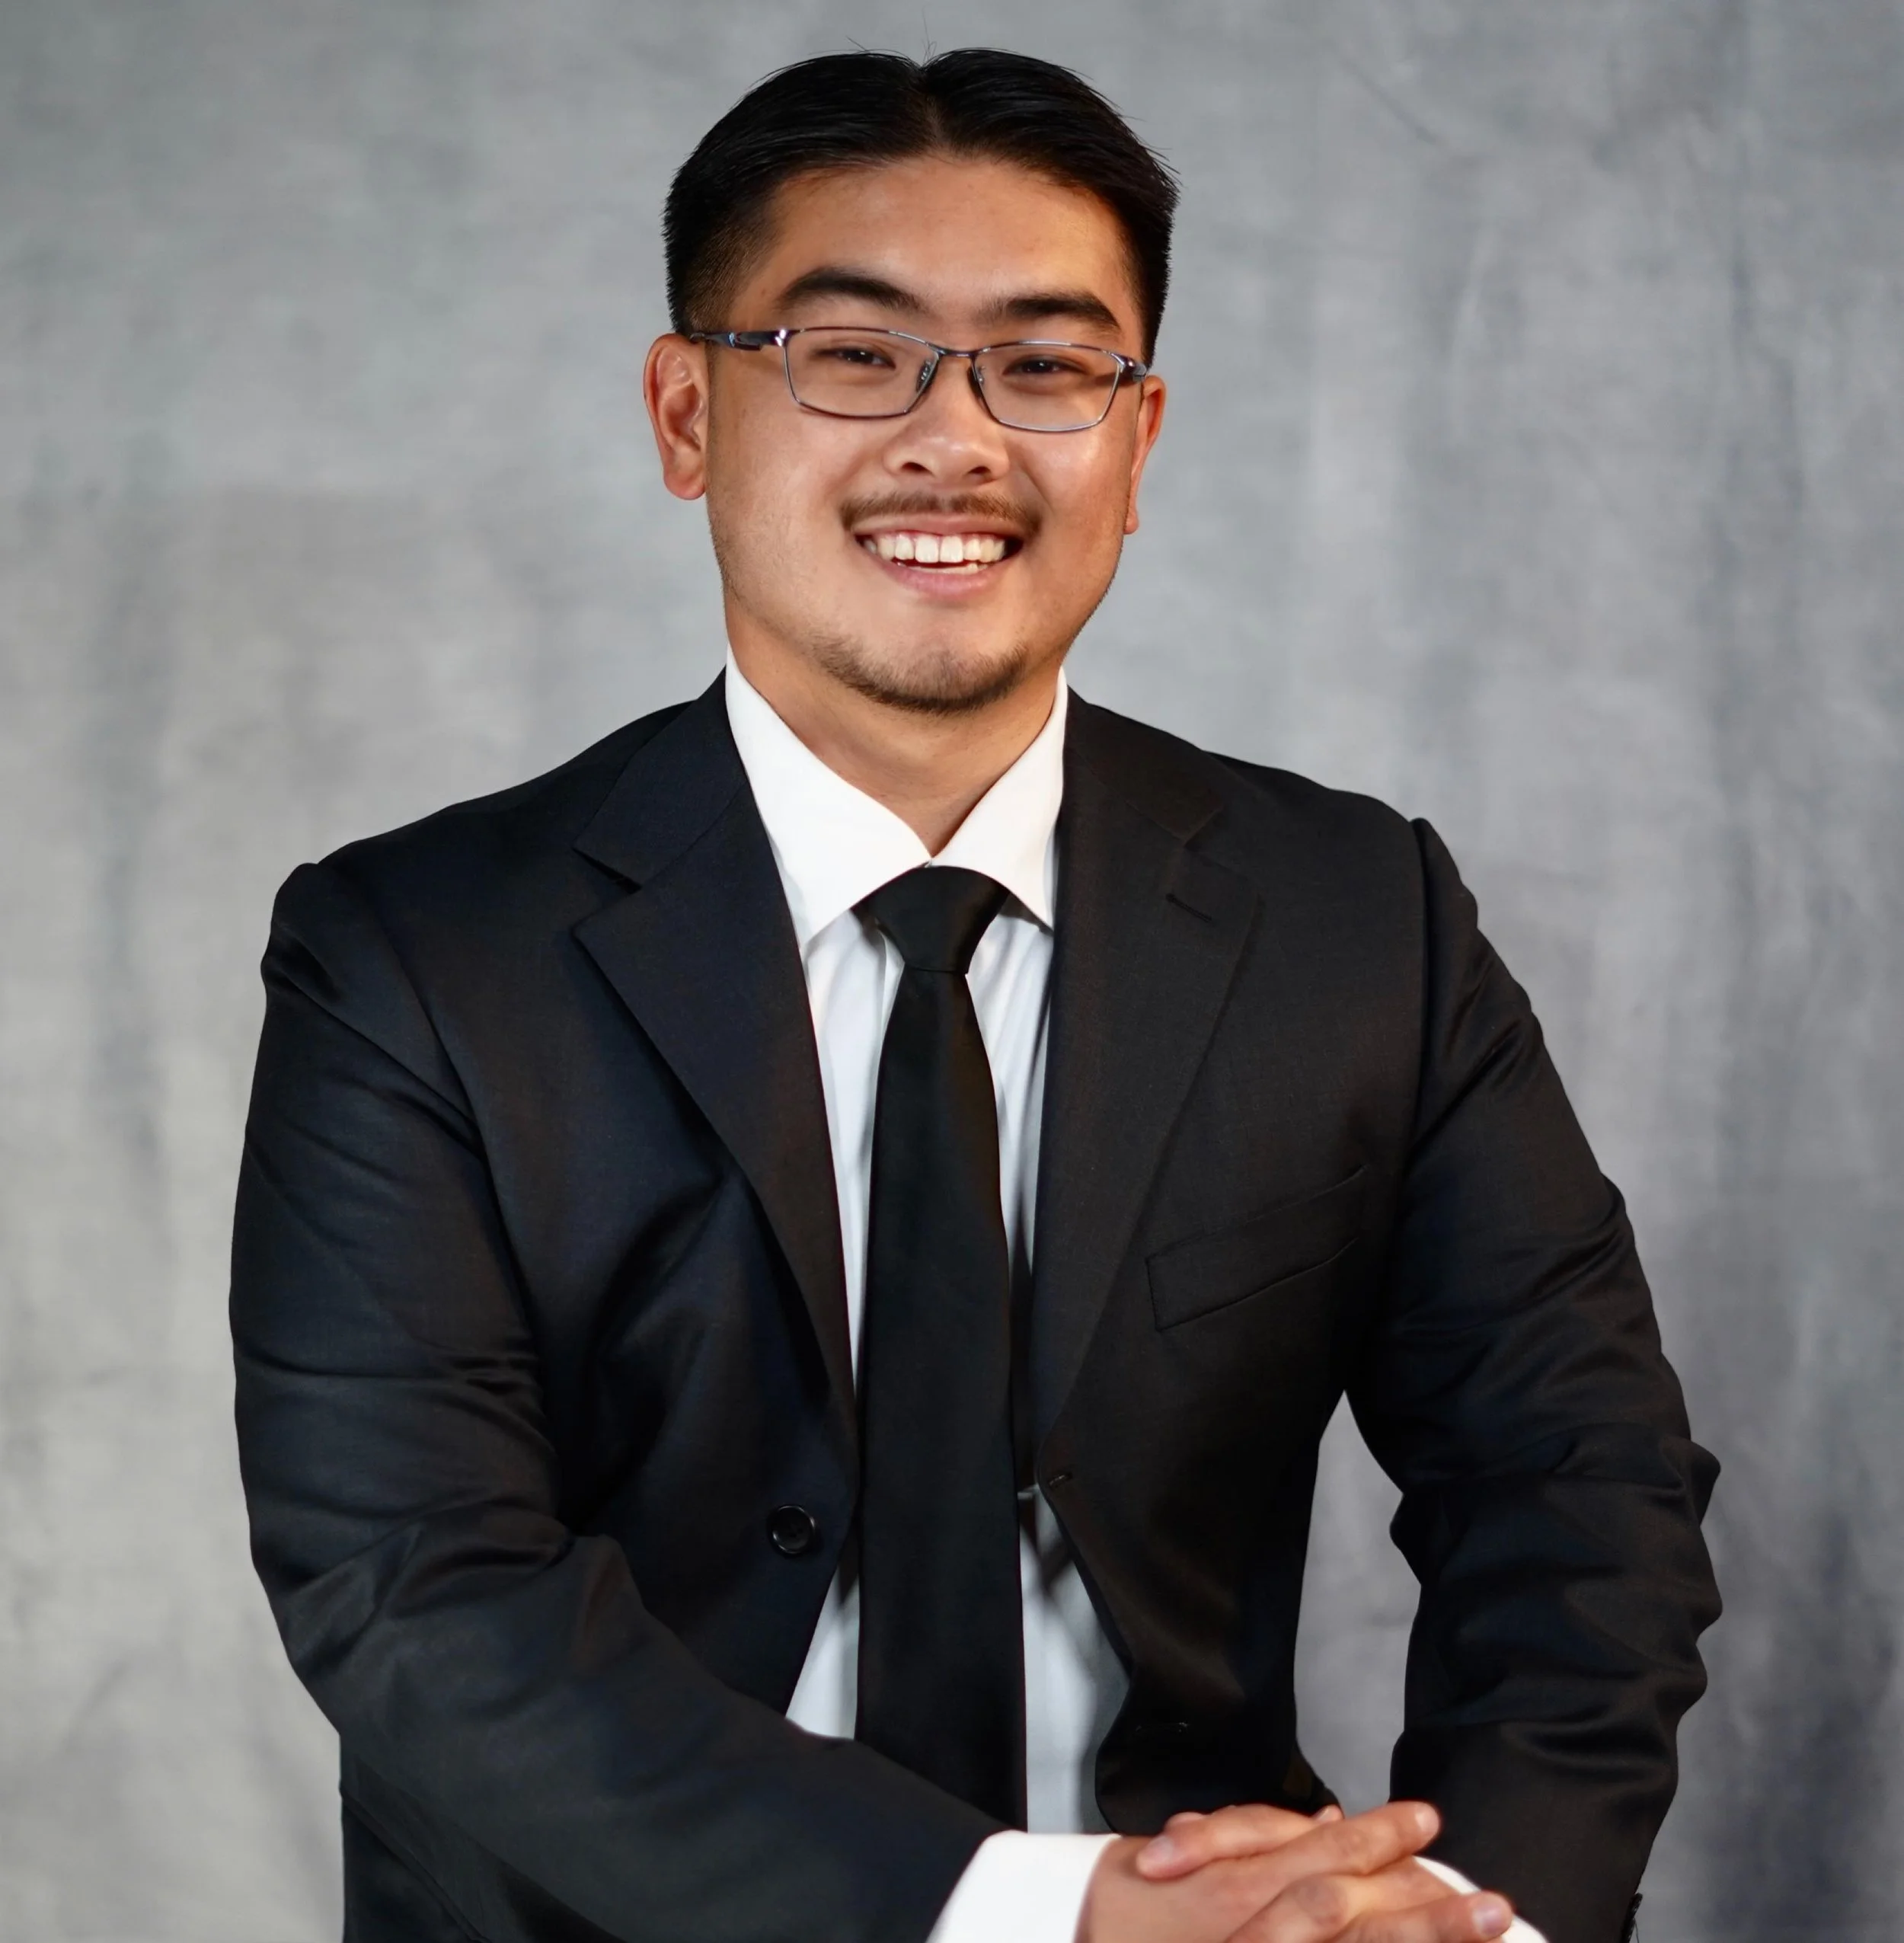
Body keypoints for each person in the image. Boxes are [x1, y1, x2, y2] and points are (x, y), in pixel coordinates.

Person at [230, 48, 1720, 1943]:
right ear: (686, 412)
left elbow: (1574, 1479)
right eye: (854, 356)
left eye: (1046, 363)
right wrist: (1038, 1917)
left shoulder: (1358, 920)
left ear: (1141, 437)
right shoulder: (417, 954)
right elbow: (414, 1590)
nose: (957, 442)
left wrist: (1443, 1909)